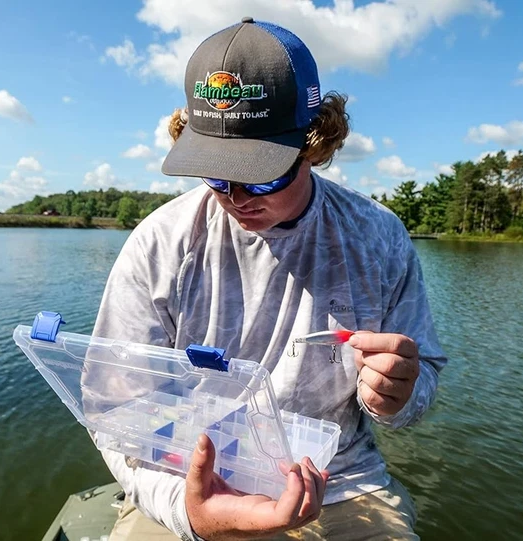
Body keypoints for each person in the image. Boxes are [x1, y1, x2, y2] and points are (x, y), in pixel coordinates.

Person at [89, 17, 447, 541]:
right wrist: (192, 513)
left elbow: (423, 382)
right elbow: (115, 412)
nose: (237, 198)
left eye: (262, 173)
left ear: (314, 144)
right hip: (187, 477)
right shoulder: (161, 243)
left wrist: (396, 396)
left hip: (339, 481)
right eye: (216, 174)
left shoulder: (377, 238)